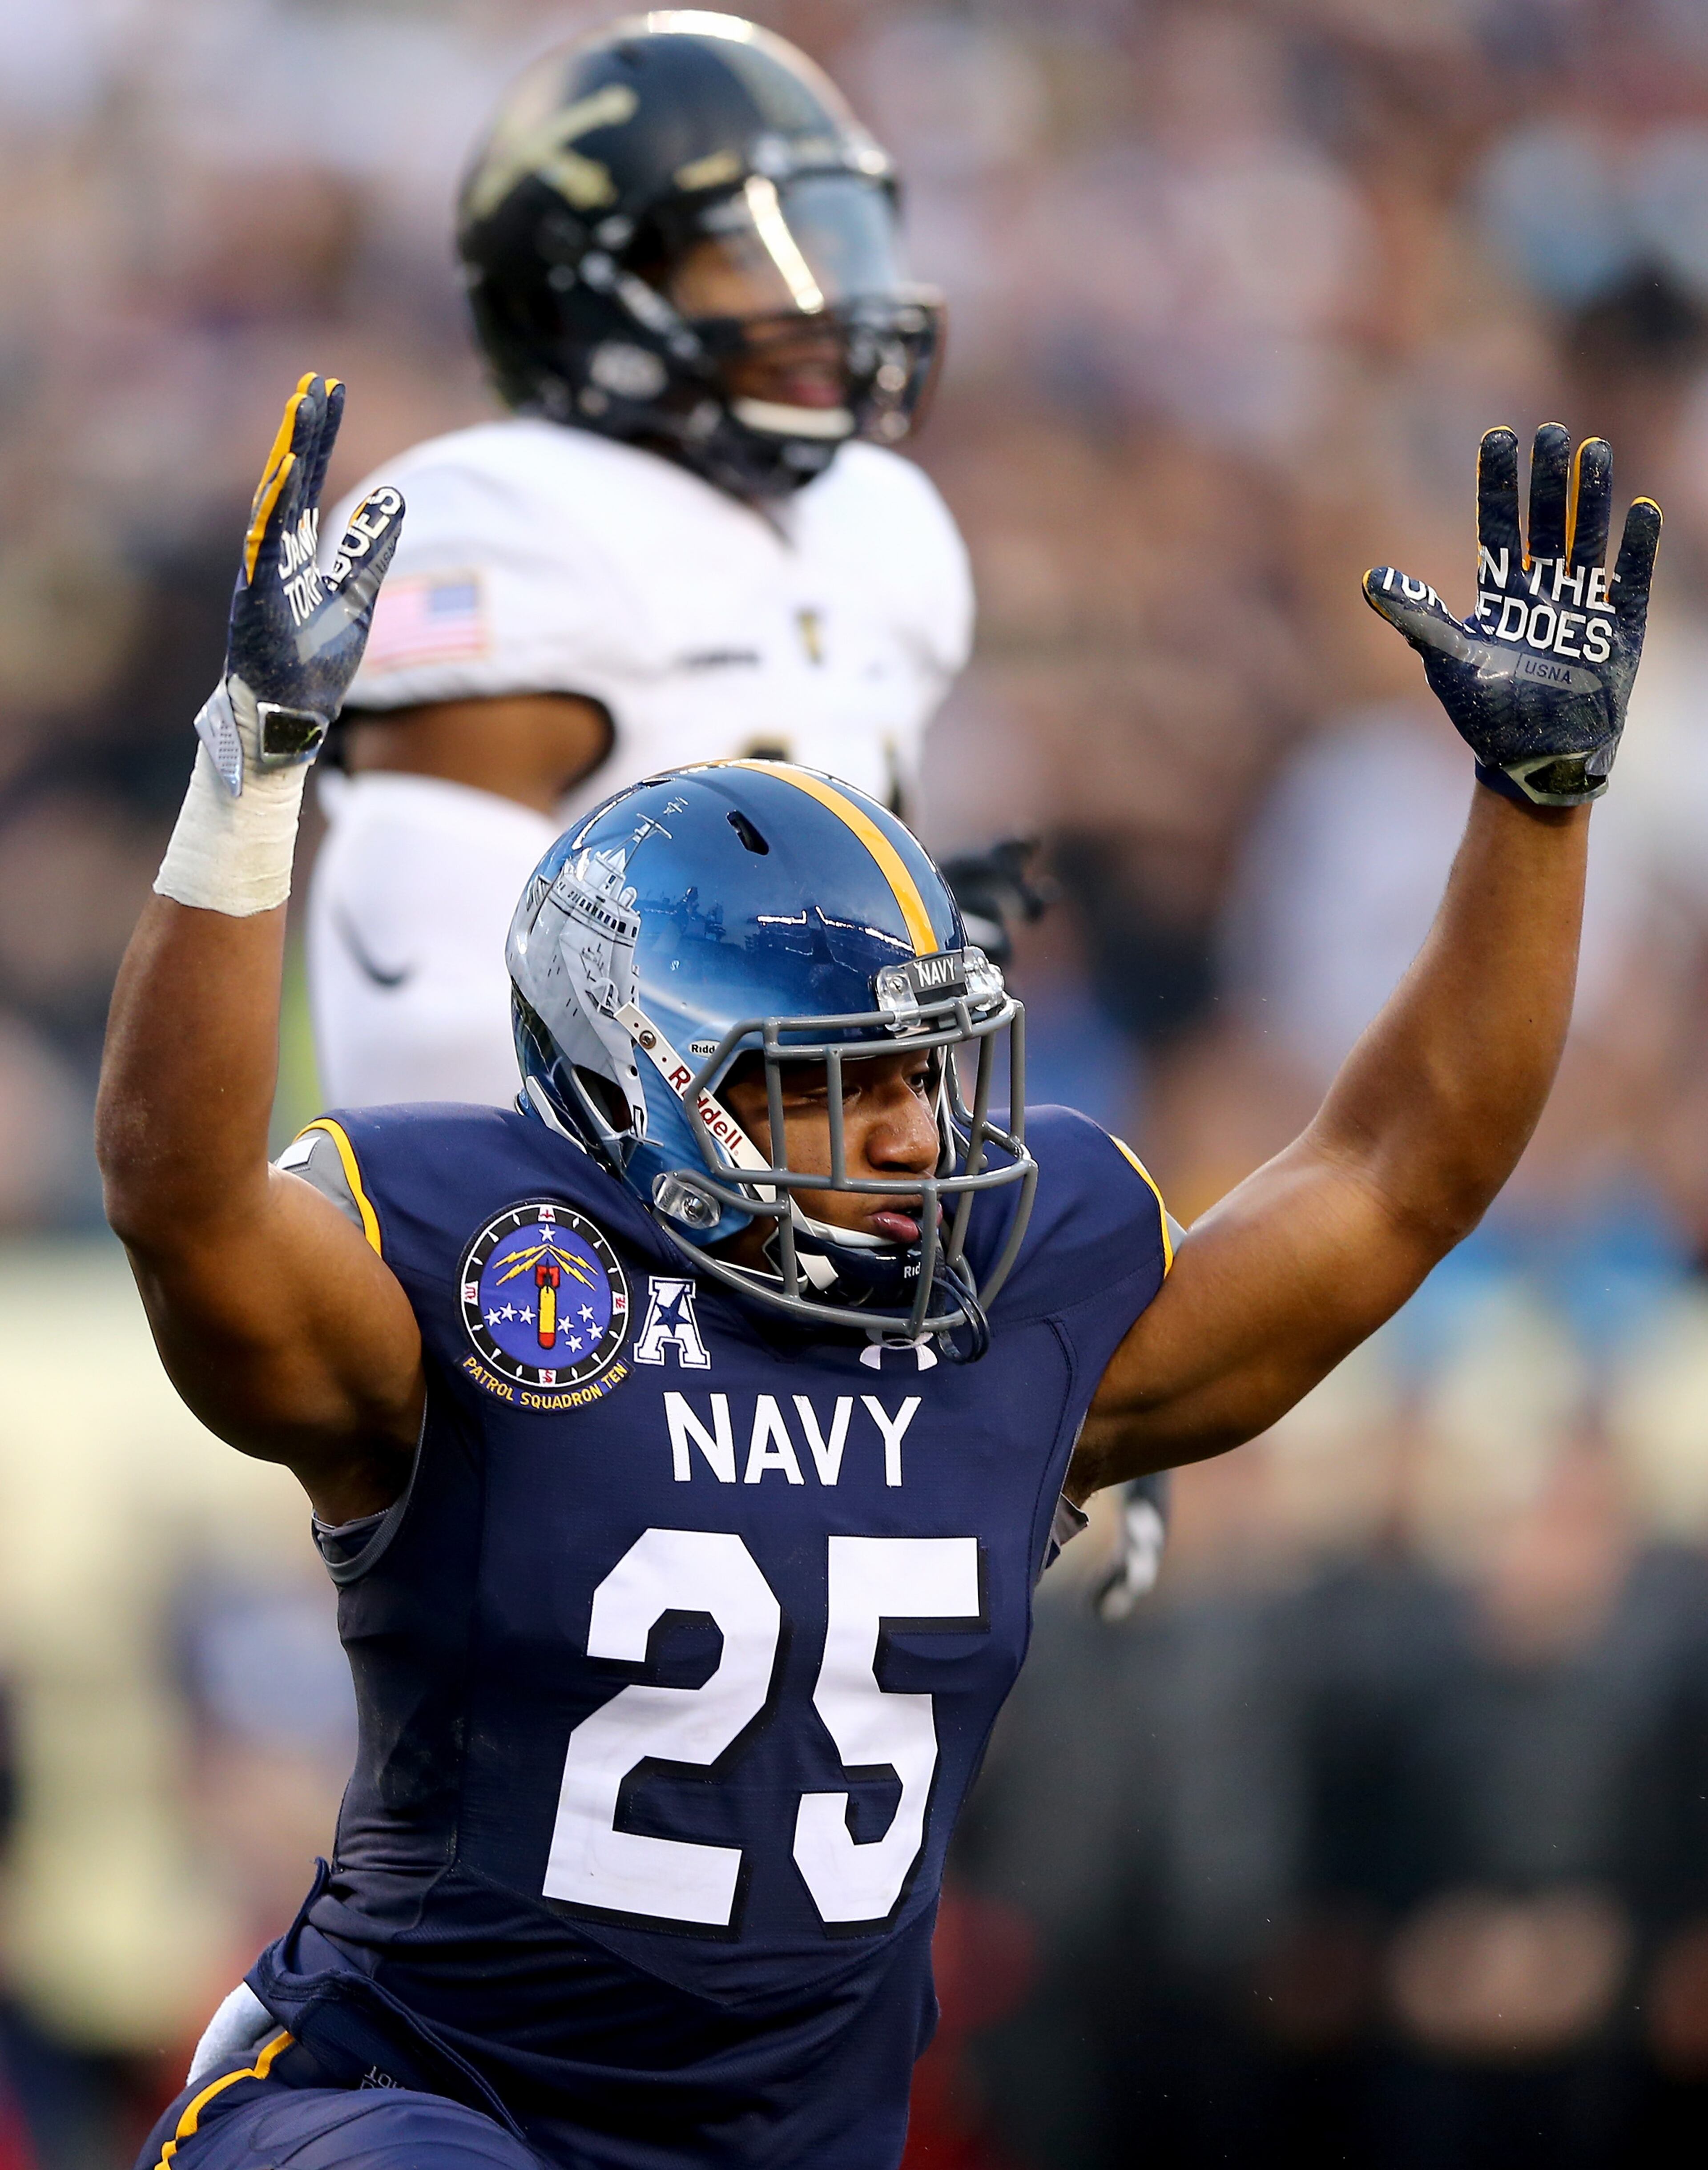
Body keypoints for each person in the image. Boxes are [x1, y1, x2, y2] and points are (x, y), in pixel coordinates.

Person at [101, 375, 1658, 2169]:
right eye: (838, 1087)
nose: (919, 1134)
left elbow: (1402, 1173)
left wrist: (1537, 800)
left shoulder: (1022, 1294)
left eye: (925, 1069)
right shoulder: (488, 1265)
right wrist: (252, 770)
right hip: (410, 2101)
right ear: (646, 1077)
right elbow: (179, 1194)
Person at [307, 12, 991, 1115]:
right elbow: (432, 1039)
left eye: (833, 242)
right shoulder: (497, 519)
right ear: (585, 285)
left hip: (818, 1151)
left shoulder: (885, 522)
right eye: (748, 255)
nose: (817, 299)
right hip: (581, 1203)